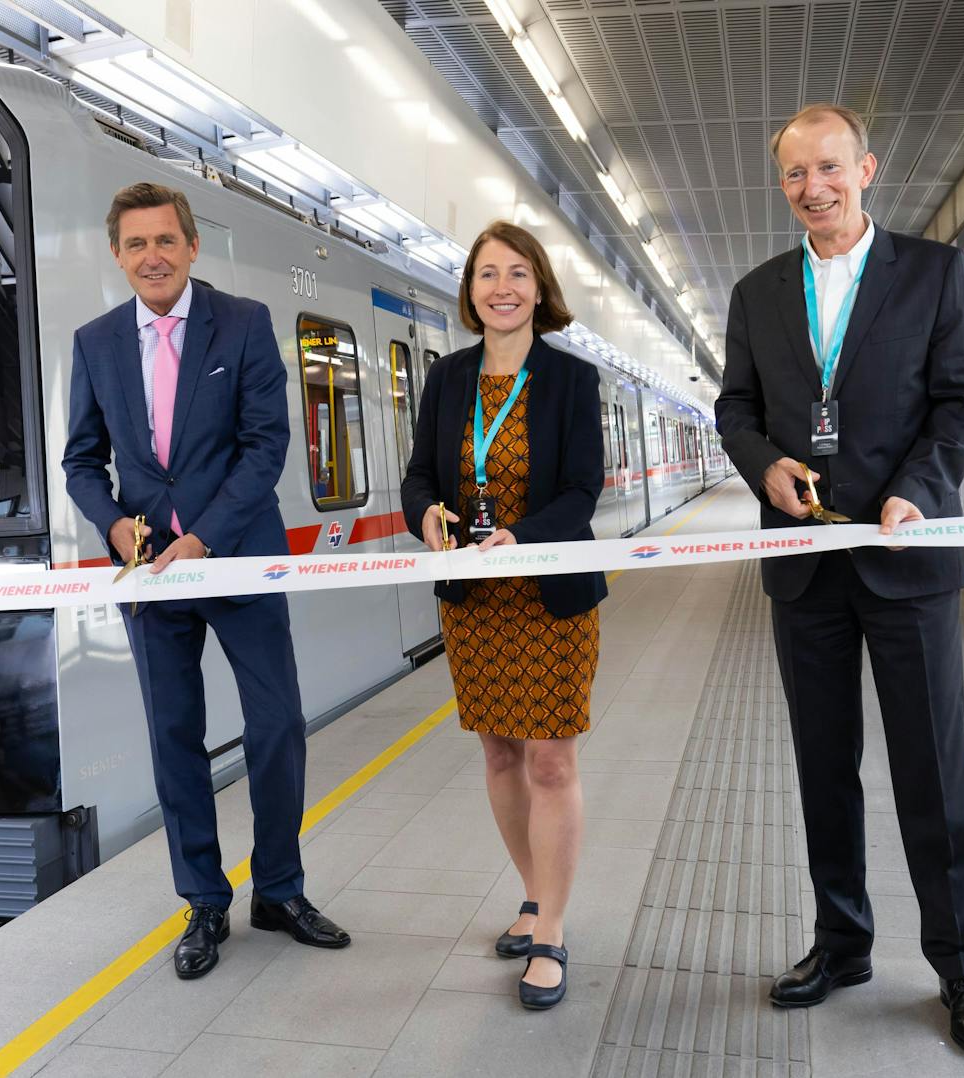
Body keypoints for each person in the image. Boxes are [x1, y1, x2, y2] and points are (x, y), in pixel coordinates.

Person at [714, 104, 964, 1053]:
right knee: (822, 769)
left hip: (907, 561)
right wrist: (764, 466)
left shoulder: (932, 270)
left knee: (932, 770)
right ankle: (842, 942)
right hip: (806, 569)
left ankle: (961, 966)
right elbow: (736, 407)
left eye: (829, 168)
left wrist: (920, 490)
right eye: (796, 175)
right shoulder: (757, 293)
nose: (814, 189)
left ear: (867, 167)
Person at [63, 181, 348, 980]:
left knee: (277, 724)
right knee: (174, 738)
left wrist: (204, 538)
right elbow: (81, 462)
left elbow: (266, 445)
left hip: (237, 551)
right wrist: (115, 525)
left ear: (191, 247)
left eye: (165, 241)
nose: (152, 256)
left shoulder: (246, 323)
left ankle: (280, 889)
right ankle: (205, 901)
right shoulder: (95, 342)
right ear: (117, 257)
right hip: (150, 576)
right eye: (135, 244)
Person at [400, 220, 604, 1011]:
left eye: (517, 273)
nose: (502, 288)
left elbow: (583, 490)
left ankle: (550, 929)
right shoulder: (448, 378)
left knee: (551, 761)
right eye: (488, 274)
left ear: (540, 287)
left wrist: (524, 534)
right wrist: (427, 518)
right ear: (471, 291)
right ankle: (531, 892)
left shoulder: (570, 379)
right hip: (476, 601)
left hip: (548, 596)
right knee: (497, 756)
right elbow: (421, 475)